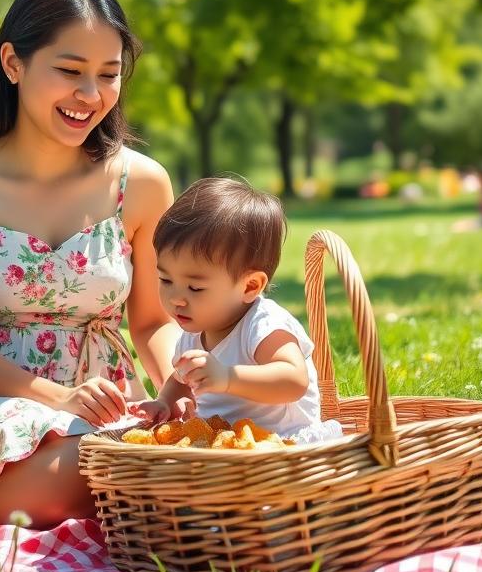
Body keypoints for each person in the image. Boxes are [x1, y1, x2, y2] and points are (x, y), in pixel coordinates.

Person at [0, 0, 180, 529]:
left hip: (104, 406)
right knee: (106, 461)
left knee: (129, 451)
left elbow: (151, 321)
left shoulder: (143, 184)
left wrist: (185, 384)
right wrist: (59, 399)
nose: (90, 95)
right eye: (70, 71)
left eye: (109, 75)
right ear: (13, 64)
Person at [131, 177, 340, 443]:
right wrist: (164, 401)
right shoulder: (193, 332)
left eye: (195, 288)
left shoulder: (263, 324)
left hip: (281, 446)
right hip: (226, 447)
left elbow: (293, 380)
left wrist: (227, 377)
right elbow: (181, 378)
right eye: (166, 280)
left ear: (250, 286)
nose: (177, 299)